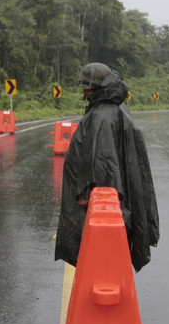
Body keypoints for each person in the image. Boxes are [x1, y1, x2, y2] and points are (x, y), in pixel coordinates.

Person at [55, 63, 159, 271]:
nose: (84, 93)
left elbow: (103, 168)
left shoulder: (101, 117)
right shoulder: (118, 111)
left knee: (100, 265)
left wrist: (88, 195)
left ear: (93, 88)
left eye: (86, 88)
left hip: (104, 214)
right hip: (115, 210)